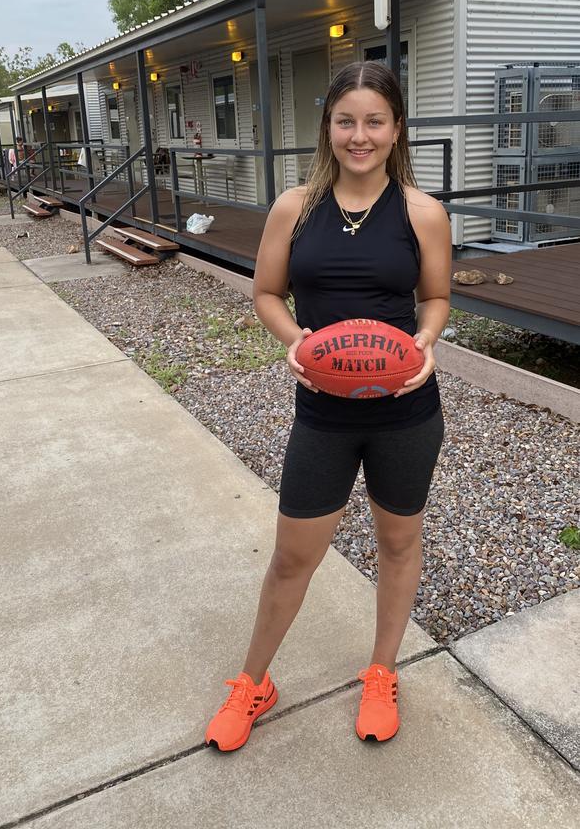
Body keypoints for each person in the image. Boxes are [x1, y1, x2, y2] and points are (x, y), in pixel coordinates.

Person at [205, 61, 451, 752]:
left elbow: (435, 298)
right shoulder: (295, 207)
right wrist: (294, 341)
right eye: (347, 121)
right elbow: (265, 294)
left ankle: (381, 672)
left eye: (375, 121)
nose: (360, 135)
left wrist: (426, 340)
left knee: (398, 544)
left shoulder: (423, 212)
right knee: (292, 557)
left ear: (397, 128)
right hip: (324, 413)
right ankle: (254, 681)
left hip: (406, 409)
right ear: (329, 127)